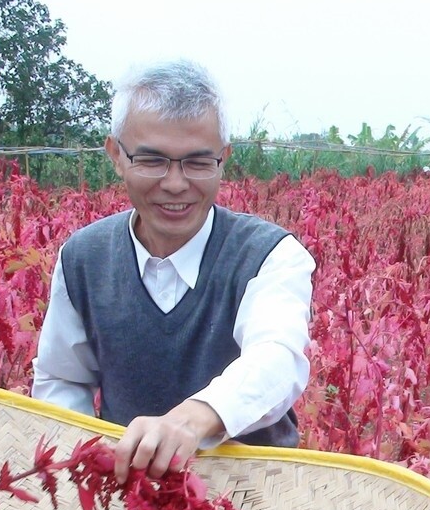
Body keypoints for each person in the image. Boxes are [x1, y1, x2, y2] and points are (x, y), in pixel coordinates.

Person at [32, 60, 314, 483]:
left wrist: (194, 420)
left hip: (255, 499)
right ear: (116, 156)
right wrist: (89, 458)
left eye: (198, 163)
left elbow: (276, 358)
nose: (176, 183)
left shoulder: (269, 255)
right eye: (152, 160)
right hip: (130, 497)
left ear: (224, 159)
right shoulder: (83, 258)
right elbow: (61, 378)